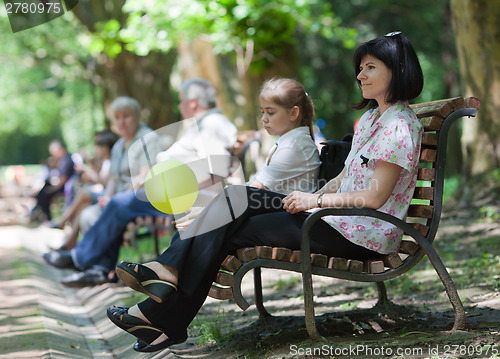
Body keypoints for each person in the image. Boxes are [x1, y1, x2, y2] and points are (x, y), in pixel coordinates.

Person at [106, 32, 424, 353]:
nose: (360, 75)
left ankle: (165, 289)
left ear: (397, 70)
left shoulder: (399, 126)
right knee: (229, 217)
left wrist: (315, 201)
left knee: (233, 203)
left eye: (370, 67)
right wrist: (316, 200)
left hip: (361, 234)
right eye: (360, 68)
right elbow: (344, 177)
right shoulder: (372, 118)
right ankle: (163, 314)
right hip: (335, 221)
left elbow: (374, 198)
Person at [42, 79, 240, 286]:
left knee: (119, 203)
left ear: (193, 103)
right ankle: (96, 267)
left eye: (181, 101)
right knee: (117, 203)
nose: (179, 106)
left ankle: (80, 259)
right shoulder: (203, 124)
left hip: (176, 196)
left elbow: (215, 171)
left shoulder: (211, 125)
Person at [42, 96, 161, 273]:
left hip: (140, 198)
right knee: (88, 215)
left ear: (137, 116)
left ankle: (79, 258)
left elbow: (145, 177)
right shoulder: (119, 144)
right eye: (117, 117)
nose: (121, 121)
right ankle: (100, 268)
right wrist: (108, 196)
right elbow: (113, 178)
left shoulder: (148, 138)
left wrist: (116, 198)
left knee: (113, 206)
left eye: (126, 116)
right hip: (119, 198)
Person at [49, 129, 119, 250]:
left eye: (97, 145)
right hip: (104, 194)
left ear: (105, 147)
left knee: (83, 193)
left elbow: (104, 182)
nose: (95, 149)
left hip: (110, 196)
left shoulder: (111, 161)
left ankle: (64, 220)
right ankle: (69, 244)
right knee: (83, 206)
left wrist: (87, 168)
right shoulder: (106, 161)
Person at [30, 140, 75, 223]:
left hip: (65, 188)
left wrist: (51, 188)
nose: (53, 155)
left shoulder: (66, 161)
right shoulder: (63, 160)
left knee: (44, 193)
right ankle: (40, 212)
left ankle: (46, 216)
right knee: (44, 189)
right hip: (61, 185)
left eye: (53, 152)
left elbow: (62, 180)